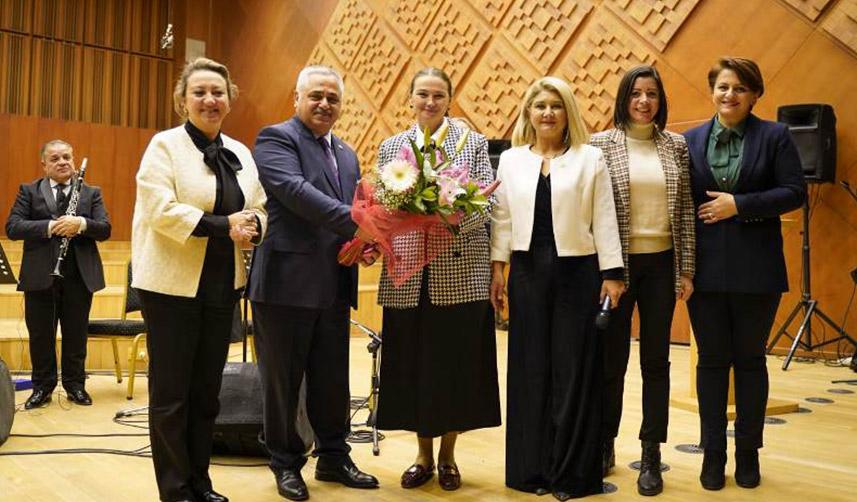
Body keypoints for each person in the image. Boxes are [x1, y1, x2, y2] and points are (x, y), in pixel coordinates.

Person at [132, 57, 267, 502]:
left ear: (230, 99)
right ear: (182, 100)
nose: (210, 100)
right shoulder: (164, 146)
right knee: (172, 396)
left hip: (221, 284)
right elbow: (159, 210)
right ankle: (175, 489)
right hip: (170, 287)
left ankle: (200, 482)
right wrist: (224, 225)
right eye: (200, 92)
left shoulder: (242, 152)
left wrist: (254, 229)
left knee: (207, 394)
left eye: (218, 92)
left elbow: (261, 208)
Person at [248, 65, 379, 502]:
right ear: (297, 98)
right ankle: (285, 463)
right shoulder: (275, 138)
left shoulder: (346, 152)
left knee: (331, 378)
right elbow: (295, 190)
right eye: (316, 96)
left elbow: (350, 211)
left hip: (334, 281)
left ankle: (334, 456)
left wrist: (366, 244)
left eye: (333, 98)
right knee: (283, 382)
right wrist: (360, 225)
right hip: (285, 282)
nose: (325, 104)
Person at [490, 76, 625, 500]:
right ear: (528, 113)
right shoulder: (511, 160)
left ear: (568, 113)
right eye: (539, 105)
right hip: (528, 273)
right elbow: (504, 219)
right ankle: (531, 470)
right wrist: (499, 270)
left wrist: (613, 274)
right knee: (531, 370)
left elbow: (604, 217)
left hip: (578, 272)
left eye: (556, 105)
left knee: (573, 372)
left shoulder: (591, 158)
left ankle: (572, 476)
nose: (547, 112)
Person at [374, 67, 501, 492]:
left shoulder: (472, 144)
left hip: (459, 271)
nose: (430, 102)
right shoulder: (391, 146)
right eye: (423, 95)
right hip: (407, 276)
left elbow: (488, 201)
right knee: (411, 368)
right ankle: (422, 455)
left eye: (439, 96)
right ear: (410, 98)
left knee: (455, 367)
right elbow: (379, 204)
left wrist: (447, 219)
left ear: (450, 100)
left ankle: (448, 457)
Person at [683, 57, 805, 490]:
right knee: (712, 363)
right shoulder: (689, 140)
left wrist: (740, 205)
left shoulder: (775, 136)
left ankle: (748, 452)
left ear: (755, 95)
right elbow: (681, 207)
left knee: (750, 362)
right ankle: (712, 453)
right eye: (722, 87)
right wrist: (681, 267)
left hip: (758, 270)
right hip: (705, 272)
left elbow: (795, 192)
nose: (729, 95)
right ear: (712, 91)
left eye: (739, 88)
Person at [589, 65, 695, 496]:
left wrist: (686, 267)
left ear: (661, 100)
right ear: (623, 98)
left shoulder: (676, 145)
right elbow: (593, 210)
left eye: (651, 94)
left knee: (656, 362)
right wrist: (602, 270)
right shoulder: (599, 144)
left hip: (661, 265)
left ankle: (651, 453)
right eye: (635, 94)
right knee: (610, 362)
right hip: (617, 268)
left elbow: (686, 208)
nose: (644, 102)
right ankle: (603, 444)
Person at [6, 140, 111, 409]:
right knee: (41, 335)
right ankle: (42, 387)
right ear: (44, 164)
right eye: (55, 158)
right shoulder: (28, 191)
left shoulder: (91, 192)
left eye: (67, 157)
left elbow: (105, 229)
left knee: (76, 334)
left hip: (78, 275)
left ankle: (75, 386)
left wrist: (81, 224)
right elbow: (13, 227)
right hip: (40, 275)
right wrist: (52, 226)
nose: (63, 162)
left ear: (74, 160)